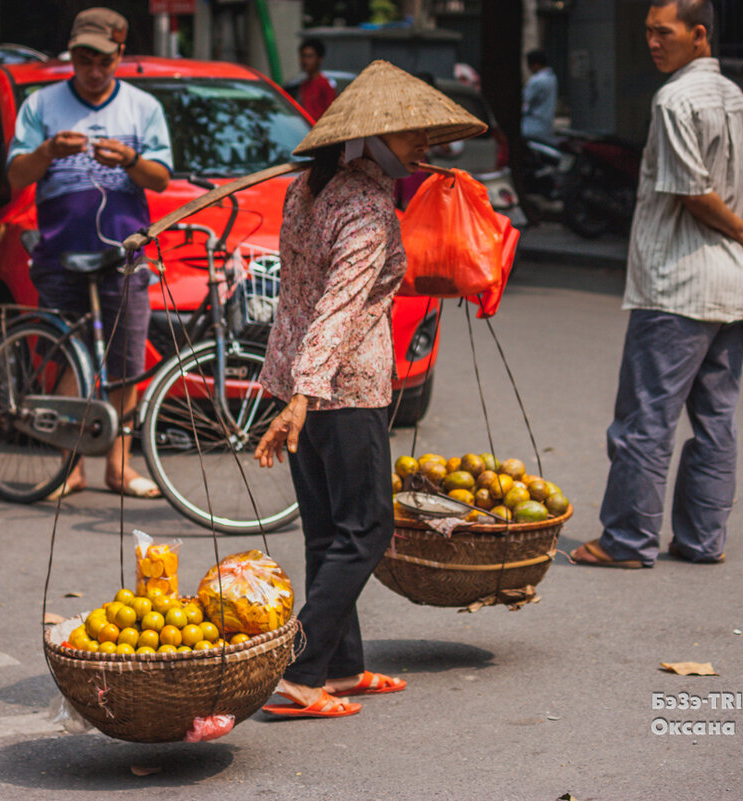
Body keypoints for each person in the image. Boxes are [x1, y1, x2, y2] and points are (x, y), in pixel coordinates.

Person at [253, 60, 486, 718]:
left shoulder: (309, 186)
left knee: (330, 531)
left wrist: (295, 390)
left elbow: (306, 299)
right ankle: (300, 673)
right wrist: (303, 395)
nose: (425, 148)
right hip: (341, 388)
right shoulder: (365, 209)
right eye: (414, 137)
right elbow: (337, 306)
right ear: (378, 137)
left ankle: (342, 666)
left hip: (304, 380)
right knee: (367, 529)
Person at [571, 0, 743, 569]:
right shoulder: (742, 103)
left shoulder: (675, 100)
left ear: (700, 35)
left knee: (645, 419)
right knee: (715, 420)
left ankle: (627, 541)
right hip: (730, 285)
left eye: (664, 32)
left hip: (677, 285)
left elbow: (691, 190)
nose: (653, 43)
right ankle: (702, 539)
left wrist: (736, 228)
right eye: (648, 33)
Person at [7, 7, 173, 500]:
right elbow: (16, 175)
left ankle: (119, 467)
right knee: (65, 362)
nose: (93, 70)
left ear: (120, 55)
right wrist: (48, 154)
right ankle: (69, 468)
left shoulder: (142, 108)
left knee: (125, 363)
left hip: (125, 252)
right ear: (72, 56)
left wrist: (131, 160)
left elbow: (160, 178)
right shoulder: (41, 104)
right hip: (60, 251)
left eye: (102, 60)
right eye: (83, 59)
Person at [520, 49, 558, 145]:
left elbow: (524, 99)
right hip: (546, 125)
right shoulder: (552, 77)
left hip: (532, 126)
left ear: (535, 65)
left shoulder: (536, 81)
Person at [296, 37, 337, 121]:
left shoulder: (324, 85)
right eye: (303, 56)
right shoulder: (304, 85)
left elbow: (333, 114)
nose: (305, 61)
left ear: (319, 59)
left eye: (309, 56)